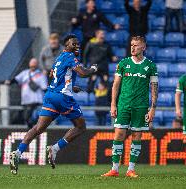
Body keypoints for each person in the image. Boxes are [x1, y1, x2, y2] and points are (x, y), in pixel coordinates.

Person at [9, 34, 98, 175]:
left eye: (78, 44)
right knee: (81, 127)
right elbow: (82, 73)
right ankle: (55, 148)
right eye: (73, 44)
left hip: (50, 95)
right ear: (66, 46)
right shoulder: (70, 57)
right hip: (62, 97)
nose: (77, 46)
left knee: (38, 127)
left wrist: (71, 87)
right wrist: (93, 69)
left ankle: (18, 152)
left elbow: (53, 76)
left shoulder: (58, 59)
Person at [102, 36, 158, 178]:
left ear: (143, 47)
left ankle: (130, 169)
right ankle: (114, 169)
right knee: (119, 134)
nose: (132, 47)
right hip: (124, 105)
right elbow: (115, 85)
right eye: (131, 45)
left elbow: (154, 88)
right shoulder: (123, 63)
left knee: (136, 136)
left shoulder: (151, 66)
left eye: (136, 45)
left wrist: (153, 108)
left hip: (141, 106)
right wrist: (113, 104)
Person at [6, 58, 47, 129]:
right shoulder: (25, 73)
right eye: (32, 65)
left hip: (36, 102)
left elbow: (44, 88)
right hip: (26, 101)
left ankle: (34, 132)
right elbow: (16, 79)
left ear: (37, 65)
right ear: (29, 65)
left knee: (34, 119)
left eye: (34, 65)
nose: (33, 67)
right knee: (26, 119)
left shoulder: (41, 75)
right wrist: (10, 82)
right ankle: (31, 132)